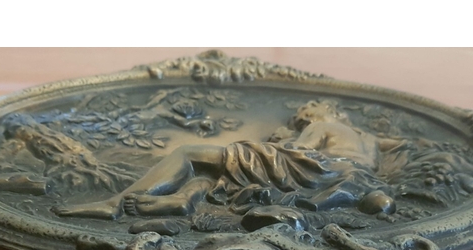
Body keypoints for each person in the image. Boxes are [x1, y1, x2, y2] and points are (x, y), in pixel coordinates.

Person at [54, 100, 405, 220]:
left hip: (315, 170)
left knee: (189, 153)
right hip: (350, 178)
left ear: (325, 113)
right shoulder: (370, 139)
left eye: (304, 116)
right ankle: (184, 200)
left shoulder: (323, 126)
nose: (302, 120)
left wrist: (284, 140)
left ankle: (115, 203)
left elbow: (303, 151)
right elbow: (406, 143)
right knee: (221, 177)